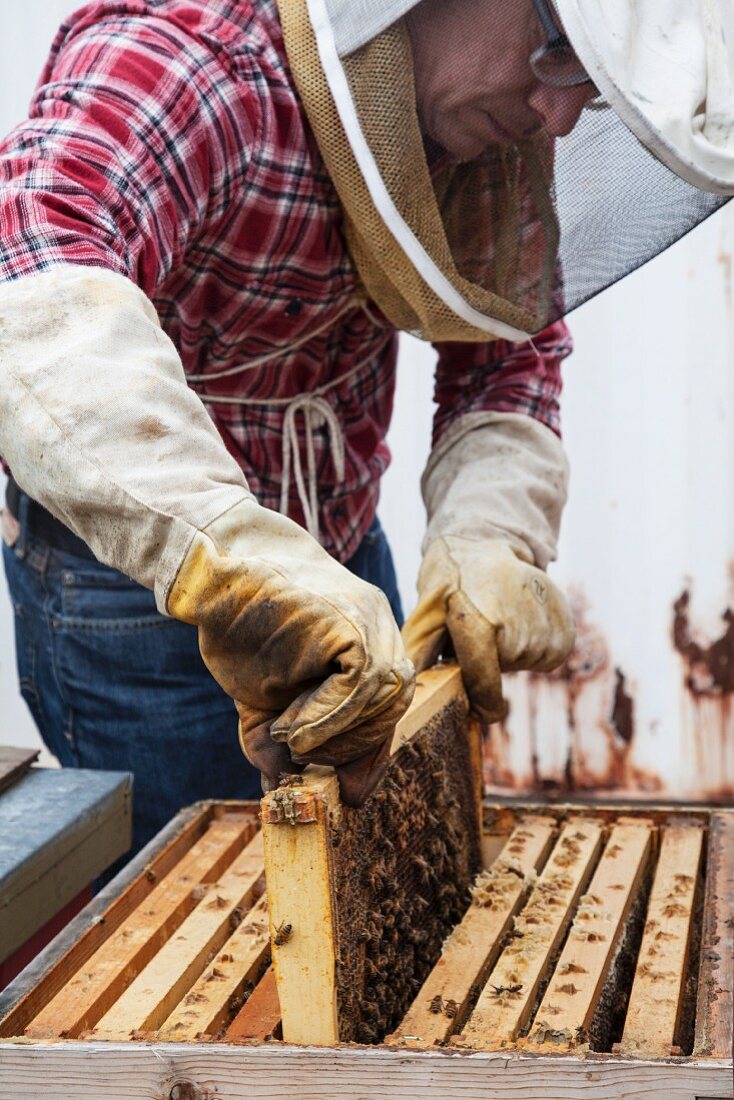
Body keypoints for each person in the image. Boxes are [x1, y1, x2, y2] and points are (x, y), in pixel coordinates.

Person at [0, 0, 729, 856]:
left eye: (593, 92)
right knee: (212, 925)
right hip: (148, 597)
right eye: (558, 49)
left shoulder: (479, 129)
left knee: (381, 882)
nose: (561, 115)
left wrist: (487, 531)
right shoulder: (197, 59)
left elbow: (509, 340)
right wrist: (228, 554)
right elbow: (32, 270)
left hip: (344, 559)